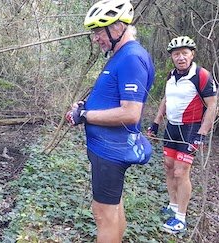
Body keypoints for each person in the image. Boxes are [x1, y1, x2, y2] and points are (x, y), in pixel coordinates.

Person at [65, 0, 155, 242]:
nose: (95, 38)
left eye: (98, 31)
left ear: (117, 27)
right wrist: (86, 107)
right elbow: (113, 98)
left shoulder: (131, 58)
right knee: (113, 208)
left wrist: (84, 116)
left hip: (111, 150)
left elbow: (130, 113)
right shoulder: (121, 55)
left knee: (103, 213)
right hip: (106, 148)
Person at [147, 36, 217, 234]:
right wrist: (155, 123)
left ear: (192, 54)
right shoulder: (171, 76)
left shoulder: (201, 75)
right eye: (176, 54)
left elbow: (213, 105)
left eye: (184, 53)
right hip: (172, 127)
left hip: (191, 129)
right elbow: (165, 99)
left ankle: (181, 218)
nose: (180, 57)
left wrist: (201, 134)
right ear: (172, 57)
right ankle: (173, 205)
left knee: (180, 172)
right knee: (169, 167)